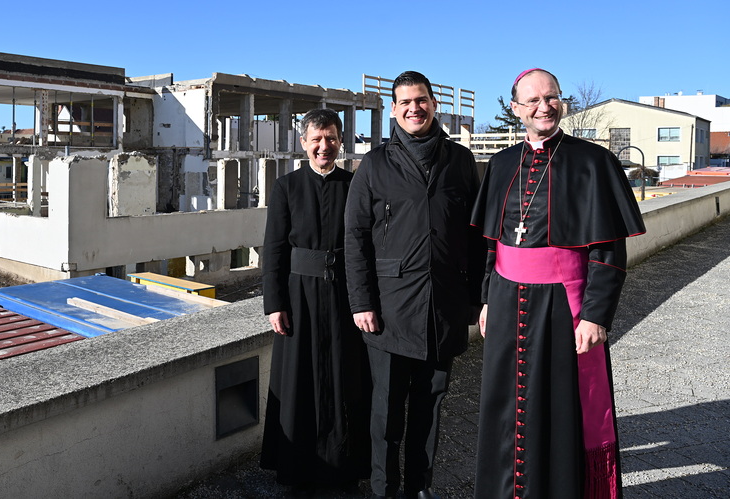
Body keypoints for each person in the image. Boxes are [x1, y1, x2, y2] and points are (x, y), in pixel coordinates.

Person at [471, 68, 645, 499]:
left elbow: (608, 251)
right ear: (516, 109)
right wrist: (487, 299)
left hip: (565, 305)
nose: (544, 107)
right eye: (532, 100)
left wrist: (595, 315)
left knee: (563, 407)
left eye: (551, 97)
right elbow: (492, 244)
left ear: (562, 102)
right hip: (506, 300)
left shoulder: (593, 162)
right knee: (506, 406)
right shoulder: (501, 163)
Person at [345, 71, 484, 499]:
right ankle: (385, 488)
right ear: (393, 109)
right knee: (386, 411)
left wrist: (477, 300)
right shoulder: (375, 164)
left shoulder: (460, 161)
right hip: (390, 309)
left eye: (421, 100)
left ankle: (419, 487)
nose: (414, 108)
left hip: (444, 306)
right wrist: (361, 302)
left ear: (433, 104)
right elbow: (355, 236)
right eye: (405, 102)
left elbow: (477, 236)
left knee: (431, 406)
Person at [260, 107, 371, 492]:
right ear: (304, 142)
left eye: (331, 138)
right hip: (298, 299)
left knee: (346, 380)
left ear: (341, 141)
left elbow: (365, 244)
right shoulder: (286, 186)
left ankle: (344, 468)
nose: (325, 146)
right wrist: (274, 303)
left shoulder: (355, 184)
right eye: (317, 139)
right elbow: (273, 248)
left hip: (344, 296)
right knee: (298, 383)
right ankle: (296, 470)